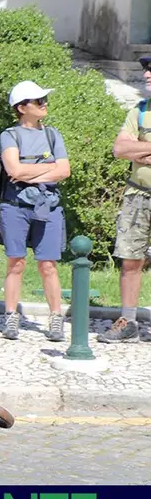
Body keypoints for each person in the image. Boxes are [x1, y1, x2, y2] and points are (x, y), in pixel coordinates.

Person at [0, 80, 71, 342]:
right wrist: (47, 168)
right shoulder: (9, 135)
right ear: (22, 107)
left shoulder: (53, 134)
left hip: (48, 207)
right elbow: (13, 171)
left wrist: (31, 173)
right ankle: (11, 317)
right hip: (15, 208)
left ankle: (56, 318)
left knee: (48, 265)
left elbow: (64, 171)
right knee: (16, 263)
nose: (44, 105)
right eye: (39, 101)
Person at [98, 56, 151, 343]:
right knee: (131, 259)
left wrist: (139, 148)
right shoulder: (139, 112)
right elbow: (119, 149)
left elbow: (131, 149)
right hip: (137, 196)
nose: (147, 75)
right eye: (146, 70)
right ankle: (128, 321)